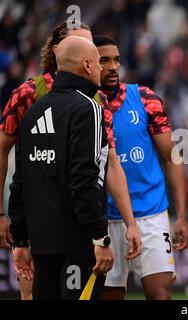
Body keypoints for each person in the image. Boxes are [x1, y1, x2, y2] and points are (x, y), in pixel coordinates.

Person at [0, 20, 141, 300]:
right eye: (98, 60)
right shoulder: (87, 107)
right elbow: (83, 180)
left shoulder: (35, 110)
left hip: (40, 242)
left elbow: (21, 182)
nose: (104, 67)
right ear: (87, 65)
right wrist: (100, 237)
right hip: (77, 241)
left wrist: (21, 239)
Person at [94, 35, 188, 300]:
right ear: (89, 63)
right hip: (103, 219)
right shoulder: (82, 105)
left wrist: (180, 216)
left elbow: (172, 157)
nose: (113, 66)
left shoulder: (145, 98)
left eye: (116, 60)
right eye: (104, 60)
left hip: (151, 214)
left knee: (160, 295)